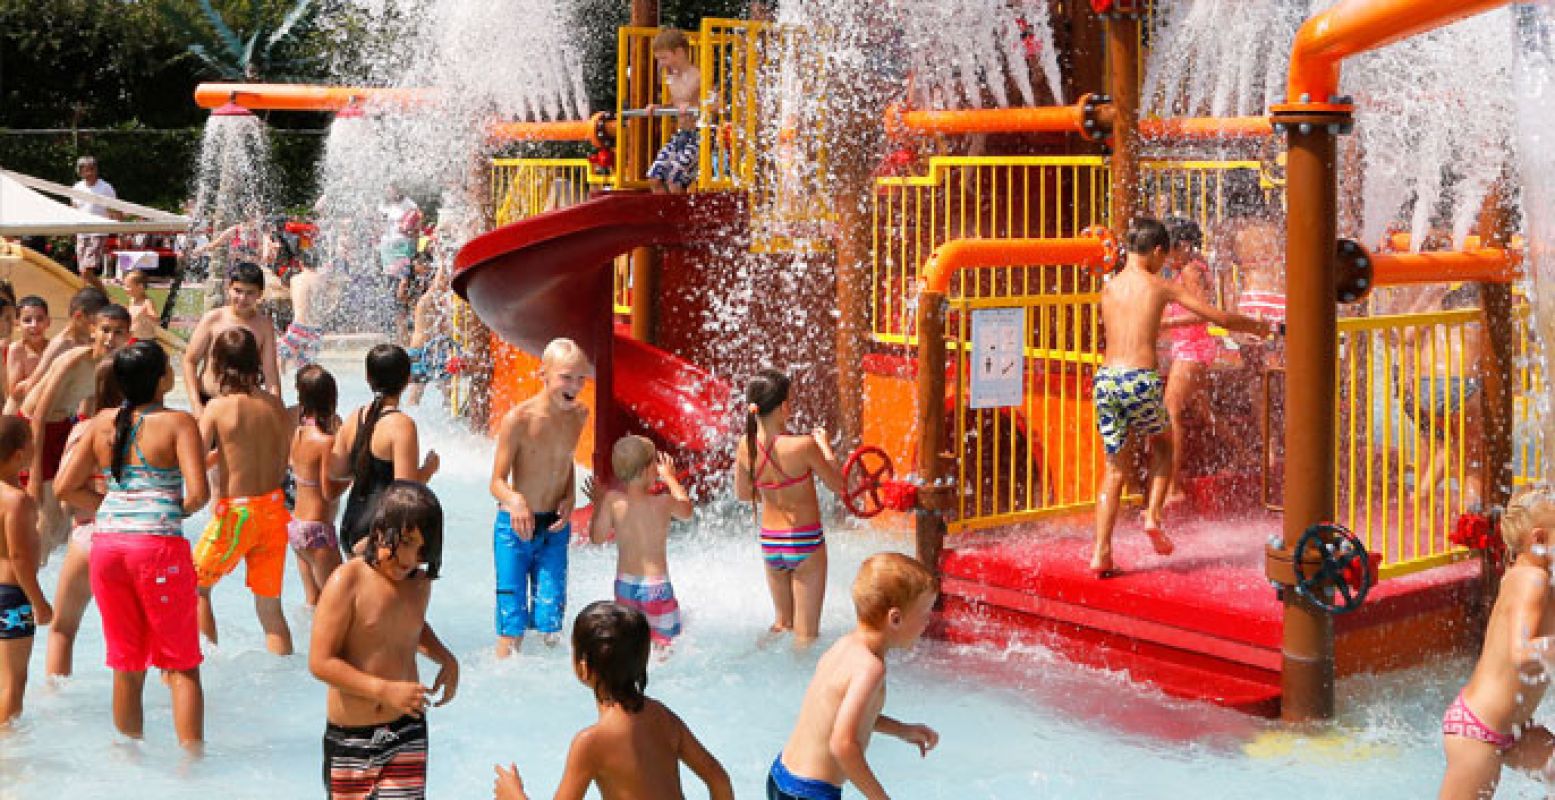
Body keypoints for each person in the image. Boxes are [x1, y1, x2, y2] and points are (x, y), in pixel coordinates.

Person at [1091, 218, 1270, 577]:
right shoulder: (1160, 286)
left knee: (1114, 469)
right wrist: (1254, 326)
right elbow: (1217, 316)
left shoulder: (1108, 289)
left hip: (1107, 380)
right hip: (1139, 379)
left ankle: (1100, 552)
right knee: (1163, 443)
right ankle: (1153, 515)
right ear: (1157, 252)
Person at [54, 341, 210, 749]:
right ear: (163, 379)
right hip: (155, 547)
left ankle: (128, 762)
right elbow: (197, 494)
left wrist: (112, 507)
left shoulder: (102, 422)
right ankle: (192, 769)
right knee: (181, 666)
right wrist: (166, 511)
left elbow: (64, 487)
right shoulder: (179, 423)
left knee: (127, 664)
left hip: (107, 547)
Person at [491, 602, 732, 800]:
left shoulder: (591, 742)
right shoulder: (661, 716)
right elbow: (718, 779)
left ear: (583, 667)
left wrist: (514, 795)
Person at [309, 481, 458, 800]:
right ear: (379, 531)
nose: (410, 558)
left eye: (421, 549)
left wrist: (445, 658)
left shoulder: (417, 584)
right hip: (351, 740)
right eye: (404, 543)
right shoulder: (347, 581)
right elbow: (320, 662)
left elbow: (410, 625)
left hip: (406, 729)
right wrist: (384, 689)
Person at [768, 553, 940, 800]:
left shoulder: (844, 646)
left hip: (781, 777)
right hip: (811, 794)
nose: (928, 622)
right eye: (925, 613)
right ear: (895, 618)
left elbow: (842, 716)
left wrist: (901, 730)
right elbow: (842, 744)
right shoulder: (871, 668)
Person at [1438, 486, 1555, 798]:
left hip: (1515, 732)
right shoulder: (1533, 580)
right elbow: (1521, 652)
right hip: (1479, 734)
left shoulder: (1530, 574)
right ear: (1540, 539)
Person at [192, 328, 294, 654]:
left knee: (196, 588)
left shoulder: (219, 408)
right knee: (269, 607)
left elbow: (192, 456)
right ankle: (284, 677)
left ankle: (208, 664)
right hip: (275, 511)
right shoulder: (275, 405)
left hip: (238, 514)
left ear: (218, 364)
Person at [488, 337, 590, 657]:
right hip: (515, 529)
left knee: (551, 628)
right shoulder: (518, 420)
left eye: (581, 378)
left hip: (554, 531)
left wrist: (571, 497)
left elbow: (566, 461)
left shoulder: (579, 415)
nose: (574, 385)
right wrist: (516, 500)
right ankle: (502, 687)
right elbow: (496, 482)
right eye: (565, 377)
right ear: (542, 374)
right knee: (512, 627)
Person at [733, 368, 846, 645]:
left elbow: (744, 494)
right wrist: (825, 447)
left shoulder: (744, 447)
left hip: (771, 542)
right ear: (784, 406)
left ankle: (755, 661)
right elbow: (838, 484)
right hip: (804, 540)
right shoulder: (803, 446)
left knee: (782, 624)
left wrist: (773, 494)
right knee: (805, 636)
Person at [21, 302, 130, 556]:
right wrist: (35, 477)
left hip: (63, 427)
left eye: (118, 332)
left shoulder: (111, 368)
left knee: (65, 519)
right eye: (105, 330)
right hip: (35, 429)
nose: (110, 338)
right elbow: (39, 415)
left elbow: (96, 409)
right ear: (93, 330)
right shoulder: (73, 359)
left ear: (128, 336)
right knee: (44, 513)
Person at [44, 359, 121, 678]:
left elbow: (65, 486)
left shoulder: (84, 430)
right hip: (138, 534)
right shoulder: (151, 429)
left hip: (89, 536)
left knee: (62, 629)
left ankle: (54, 699)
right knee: (138, 634)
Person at [330, 344, 439, 555]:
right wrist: (428, 469)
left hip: (350, 525)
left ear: (367, 377)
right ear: (408, 379)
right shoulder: (401, 425)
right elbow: (405, 491)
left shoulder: (355, 417)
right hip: (380, 531)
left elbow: (336, 471)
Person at [585, 436, 693, 647]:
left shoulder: (612, 501)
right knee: (664, 647)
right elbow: (687, 511)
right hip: (657, 589)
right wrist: (671, 479)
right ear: (646, 470)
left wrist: (598, 504)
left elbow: (596, 538)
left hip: (625, 587)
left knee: (631, 645)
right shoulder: (663, 502)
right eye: (655, 463)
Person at [1159, 217, 1229, 505]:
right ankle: (1252, 454)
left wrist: (1166, 323)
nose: (1167, 256)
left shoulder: (1190, 271)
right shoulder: (1194, 266)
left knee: (1170, 411)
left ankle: (1173, 488)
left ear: (1184, 246)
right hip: (1191, 347)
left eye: (1170, 249)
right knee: (1204, 412)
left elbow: (1203, 313)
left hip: (1192, 349)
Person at [182, 261, 282, 415]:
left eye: (250, 293)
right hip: (209, 400)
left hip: (246, 405)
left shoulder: (264, 326)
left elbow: (270, 374)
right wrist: (195, 404)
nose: (242, 298)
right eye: (238, 291)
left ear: (260, 294)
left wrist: (277, 409)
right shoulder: (213, 319)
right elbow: (190, 361)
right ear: (228, 288)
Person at [0, 416, 48, 724]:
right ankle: (8, 758)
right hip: (10, 598)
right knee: (13, 683)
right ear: (19, 455)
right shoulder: (16, 502)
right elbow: (19, 557)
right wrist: (39, 603)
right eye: (31, 443)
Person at [289, 364, 346, 607]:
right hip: (318, 531)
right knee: (340, 605)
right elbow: (328, 491)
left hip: (296, 527)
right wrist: (352, 475)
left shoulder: (299, 433)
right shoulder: (326, 441)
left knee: (314, 602)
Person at [16, 287, 110, 413]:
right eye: (96, 322)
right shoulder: (61, 345)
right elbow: (33, 384)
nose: (100, 327)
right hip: (41, 416)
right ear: (79, 316)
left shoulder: (92, 342)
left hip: (66, 416)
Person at [644, 29, 703, 194]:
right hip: (682, 134)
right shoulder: (672, 77)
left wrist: (693, 107)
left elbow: (717, 103)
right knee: (654, 177)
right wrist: (659, 107)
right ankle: (663, 215)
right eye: (659, 59)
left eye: (664, 58)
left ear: (679, 52)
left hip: (699, 136)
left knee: (674, 179)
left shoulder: (698, 76)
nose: (661, 64)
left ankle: (679, 217)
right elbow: (676, 102)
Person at [405, 266, 458, 407]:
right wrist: (443, 262)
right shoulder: (425, 301)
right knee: (416, 393)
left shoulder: (444, 303)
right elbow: (438, 284)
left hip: (437, 351)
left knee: (448, 393)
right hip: (420, 352)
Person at [71, 156, 118, 281]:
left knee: (87, 269)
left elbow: (115, 210)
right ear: (80, 172)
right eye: (86, 170)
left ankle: (104, 296)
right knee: (82, 270)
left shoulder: (106, 188)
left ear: (96, 170)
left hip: (98, 231)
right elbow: (74, 209)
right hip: (81, 233)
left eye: (92, 169)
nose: (89, 173)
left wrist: (119, 229)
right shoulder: (77, 187)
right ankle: (88, 296)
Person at [278, 254, 325, 373]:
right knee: (306, 367)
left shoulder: (296, 279)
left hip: (299, 327)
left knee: (280, 356)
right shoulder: (323, 280)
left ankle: (281, 385)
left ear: (301, 263)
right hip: (316, 330)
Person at [6, 296, 51, 411]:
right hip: (22, 410)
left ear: (48, 322)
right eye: (27, 320)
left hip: (49, 409)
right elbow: (15, 393)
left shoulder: (53, 347)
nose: (34, 325)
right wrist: (45, 376)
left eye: (40, 319)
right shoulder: (17, 350)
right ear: (17, 324)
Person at [123, 269, 160, 343]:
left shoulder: (147, 302)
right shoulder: (132, 300)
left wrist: (148, 315)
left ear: (140, 287)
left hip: (145, 340)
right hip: (133, 338)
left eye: (128, 286)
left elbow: (157, 319)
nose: (124, 288)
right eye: (124, 285)